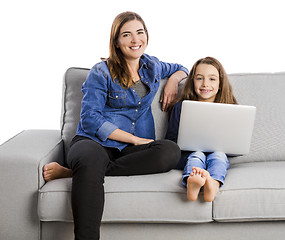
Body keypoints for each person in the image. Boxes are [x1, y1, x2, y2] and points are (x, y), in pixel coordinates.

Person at [43, 11, 188, 240]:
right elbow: (90, 118)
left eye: (140, 33)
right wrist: (133, 139)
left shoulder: (153, 67)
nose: (135, 40)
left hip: (131, 152)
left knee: (170, 151)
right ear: (117, 42)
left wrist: (172, 80)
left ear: (146, 36)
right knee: (89, 159)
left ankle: (77, 173)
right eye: (127, 35)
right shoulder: (101, 72)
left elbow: (182, 67)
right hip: (95, 142)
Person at [165, 56, 237, 202]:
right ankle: (192, 182)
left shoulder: (230, 109)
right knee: (197, 154)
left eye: (212, 79)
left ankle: (213, 184)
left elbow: (235, 145)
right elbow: (170, 140)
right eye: (199, 78)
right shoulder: (181, 107)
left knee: (219, 156)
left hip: (217, 154)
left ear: (220, 83)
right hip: (187, 155)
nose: (205, 84)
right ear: (192, 82)